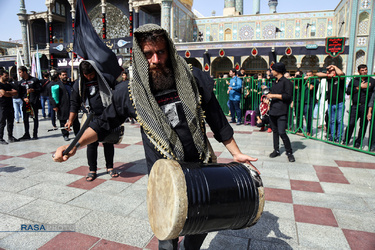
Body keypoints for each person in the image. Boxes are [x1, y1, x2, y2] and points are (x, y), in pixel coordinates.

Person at [53, 24, 258, 250]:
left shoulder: (193, 79)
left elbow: (217, 118)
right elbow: (103, 124)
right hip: (163, 177)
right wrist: (73, 146)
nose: (156, 59)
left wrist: (236, 153)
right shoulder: (129, 93)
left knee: (200, 226)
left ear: (169, 50)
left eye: (160, 52)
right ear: (140, 55)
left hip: (201, 169)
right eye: (149, 54)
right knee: (167, 236)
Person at [66, 60, 119, 181]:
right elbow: (74, 103)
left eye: (91, 74)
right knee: (91, 144)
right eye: (86, 75)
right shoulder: (78, 84)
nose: (89, 77)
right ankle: (92, 170)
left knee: (108, 142)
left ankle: (110, 167)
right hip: (90, 117)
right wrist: (70, 120)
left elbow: (119, 90)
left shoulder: (106, 78)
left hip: (106, 115)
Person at [267, 62, 295, 162]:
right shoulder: (275, 82)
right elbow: (272, 93)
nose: (271, 71)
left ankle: (289, 152)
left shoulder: (287, 82)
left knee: (282, 132)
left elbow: (288, 96)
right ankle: (276, 150)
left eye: (273, 70)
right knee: (275, 131)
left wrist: (273, 96)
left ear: (277, 71)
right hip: (273, 110)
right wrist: (268, 97)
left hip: (282, 111)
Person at [342, 64, 374, 148]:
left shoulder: (372, 81)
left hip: (365, 107)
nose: (364, 72)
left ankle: (358, 142)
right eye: (362, 70)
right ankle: (346, 140)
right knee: (351, 123)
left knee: (363, 125)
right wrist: (359, 87)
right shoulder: (354, 80)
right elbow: (348, 91)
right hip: (355, 106)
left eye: (366, 70)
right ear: (359, 71)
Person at [316, 65, 345, 142]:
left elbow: (341, 74)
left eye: (333, 70)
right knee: (332, 120)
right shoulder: (329, 78)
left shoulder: (341, 78)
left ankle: (339, 137)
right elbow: (318, 74)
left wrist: (335, 66)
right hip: (330, 103)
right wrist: (328, 74)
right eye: (330, 71)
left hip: (340, 102)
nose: (331, 72)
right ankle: (333, 136)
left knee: (339, 121)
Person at [49, 70, 80, 141]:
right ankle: (65, 134)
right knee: (63, 121)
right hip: (61, 106)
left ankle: (77, 134)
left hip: (71, 105)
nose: (65, 76)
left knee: (75, 121)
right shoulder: (56, 85)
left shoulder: (71, 84)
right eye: (63, 75)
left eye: (65, 75)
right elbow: (51, 96)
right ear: (60, 76)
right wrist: (54, 105)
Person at [17, 66, 42, 140]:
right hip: (26, 103)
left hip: (34, 102)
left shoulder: (35, 80)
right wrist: (23, 98)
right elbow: (19, 94)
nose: (19, 74)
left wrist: (33, 90)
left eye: (20, 72)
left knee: (35, 118)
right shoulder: (20, 82)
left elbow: (40, 89)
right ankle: (26, 134)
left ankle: (35, 134)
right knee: (25, 119)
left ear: (25, 72)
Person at [0, 69, 19, 144]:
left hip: (10, 105)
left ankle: (10, 136)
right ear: (1, 76)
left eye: (7, 76)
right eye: (5, 76)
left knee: (10, 122)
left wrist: (7, 92)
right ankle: (0, 138)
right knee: (2, 123)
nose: (7, 77)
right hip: (2, 106)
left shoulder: (9, 84)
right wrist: (8, 93)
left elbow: (16, 92)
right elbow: (3, 93)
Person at [303, 70, 320, 136]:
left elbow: (310, 88)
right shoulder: (304, 81)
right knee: (305, 116)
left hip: (310, 101)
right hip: (304, 101)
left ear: (312, 75)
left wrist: (308, 81)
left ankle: (309, 131)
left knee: (308, 116)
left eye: (310, 75)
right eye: (307, 75)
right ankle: (305, 129)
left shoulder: (315, 81)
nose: (308, 76)